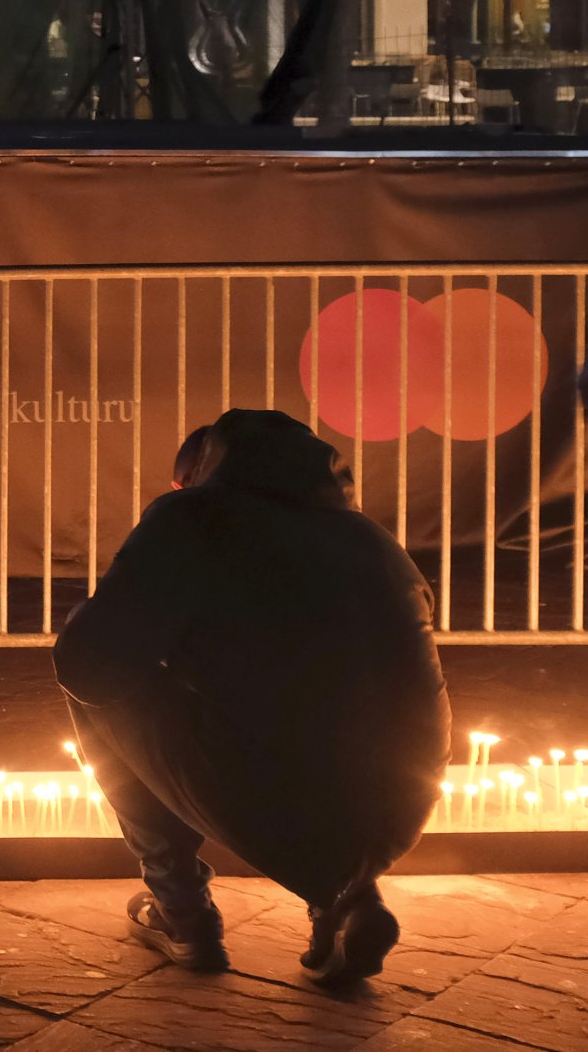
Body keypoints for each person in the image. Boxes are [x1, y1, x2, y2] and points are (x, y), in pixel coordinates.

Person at [56, 408, 450, 987]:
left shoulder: (193, 518)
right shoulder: (370, 537)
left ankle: (180, 912)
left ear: (202, 473)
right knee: (318, 714)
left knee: (99, 679)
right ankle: (345, 898)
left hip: (282, 799)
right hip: (402, 803)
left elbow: (90, 666)